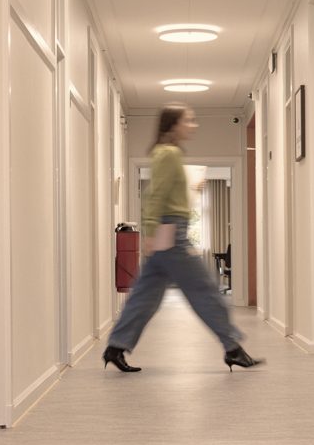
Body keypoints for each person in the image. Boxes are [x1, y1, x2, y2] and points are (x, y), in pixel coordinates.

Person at [103, 105, 265, 373]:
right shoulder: (168, 154)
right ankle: (232, 348)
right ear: (173, 124)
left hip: (168, 230)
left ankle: (116, 346)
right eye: (188, 120)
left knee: (145, 295)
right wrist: (151, 231)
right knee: (205, 290)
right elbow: (157, 195)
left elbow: (167, 194)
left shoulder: (165, 153)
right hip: (172, 234)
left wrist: (188, 193)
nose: (193, 125)